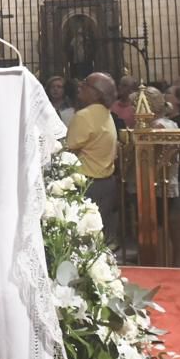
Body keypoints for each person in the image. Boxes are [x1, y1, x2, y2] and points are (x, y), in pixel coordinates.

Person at [66, 72, 119, 242]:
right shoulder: (105, 112)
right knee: (97, 235)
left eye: (85, 83)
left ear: (97, 93)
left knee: (81, 236)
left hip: (87, 184)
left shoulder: (84, 116)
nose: (79, 86)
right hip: (107, 182)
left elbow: (67, 152)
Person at [143, 86, 180, 267]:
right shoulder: (169, 122)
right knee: (174, 226)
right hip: (169, 179)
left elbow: (166, 153)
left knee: (163, 227)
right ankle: (176, 263)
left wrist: (155, 170)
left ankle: (164, 263)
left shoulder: (159, 125)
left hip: (163, 182)